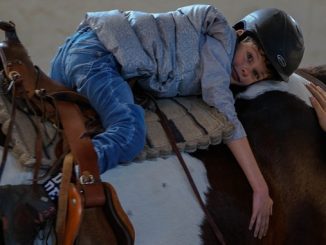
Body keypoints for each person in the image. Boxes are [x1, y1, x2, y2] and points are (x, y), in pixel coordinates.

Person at [0, 4, 305, 243]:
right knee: (130, 133)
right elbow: (227, 117)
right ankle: (43, 193)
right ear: (239, 33)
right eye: (250, 58)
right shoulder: (219, 43)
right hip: (97, 56)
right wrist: (261, 188)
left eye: (256, 74)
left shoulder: (212, 44)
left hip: (81, 50)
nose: (245, 72)